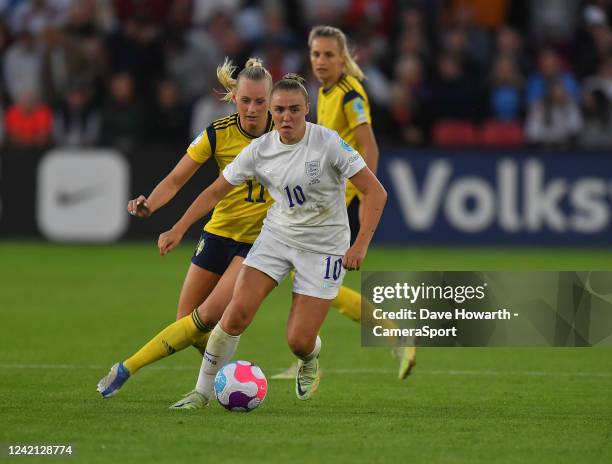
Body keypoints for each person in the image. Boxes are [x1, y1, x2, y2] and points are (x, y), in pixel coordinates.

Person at [99, 74, 387, 404]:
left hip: (323, 247)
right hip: (274, 238)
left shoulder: (329, 143)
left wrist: (360, 244)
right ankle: (202, 392)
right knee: (229, 316)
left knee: (298, 340)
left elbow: (375, 191)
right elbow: (214, 191)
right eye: (280, 109)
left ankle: (308, 359)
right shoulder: (258, 148)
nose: (285, 117)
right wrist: (178, 227)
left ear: (308, 109)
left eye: (294, 109)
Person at [272, 25, 416, 380]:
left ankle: (393, 337)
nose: (321, 61)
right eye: (316, 54)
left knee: (318, 282)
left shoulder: (351, 95)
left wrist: (367, 196)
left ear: (343, 57)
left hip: (338, 205)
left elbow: (370, 147)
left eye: (329, 55)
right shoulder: (325, 92)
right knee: (312, 280)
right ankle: (308, 353)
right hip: (322, 200)